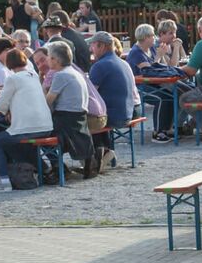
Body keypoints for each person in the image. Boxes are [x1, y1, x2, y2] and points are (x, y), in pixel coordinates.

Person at [0, 48, 55, 192]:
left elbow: (0, 105)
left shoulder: (12, 79)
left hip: (27, 127)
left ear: (9, 64)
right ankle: (44, 169)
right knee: (14, 144)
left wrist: (8, 110)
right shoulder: (34, 76)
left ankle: (4, 180)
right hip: (46, 125)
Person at [45, 40, 98, 177]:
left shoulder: (60, 75)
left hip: (65, 122)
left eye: (48, 56)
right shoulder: (75, 72)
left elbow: (47, 101)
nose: (46, 59)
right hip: (79, 121)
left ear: (55, 60)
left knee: (36, 134)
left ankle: (57, 167)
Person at [88, 31, 135, 167]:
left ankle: (95, 157)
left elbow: (90, 95)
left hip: (113, 117)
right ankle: (104, 152)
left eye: (93, 45)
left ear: (102, 46)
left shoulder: (100, 66)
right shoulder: (123, 63)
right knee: (97, 113)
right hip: (128, 113)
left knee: (83, 119)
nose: (91, 49)